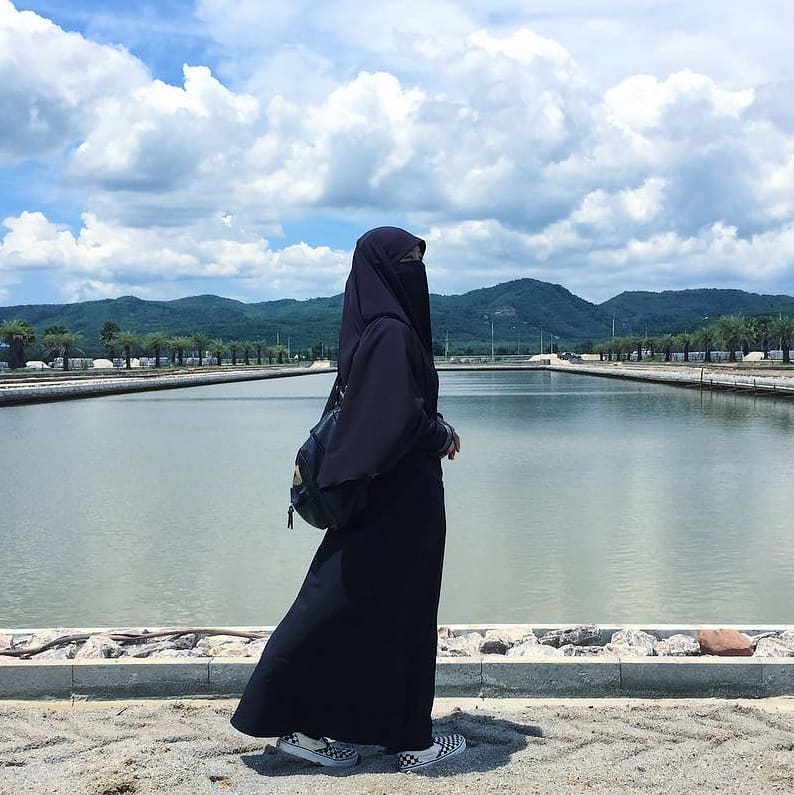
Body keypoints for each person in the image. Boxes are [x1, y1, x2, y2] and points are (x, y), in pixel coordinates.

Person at [230, 226, 464, 774]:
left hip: (374, 494)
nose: (417, 272)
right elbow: (396, 419)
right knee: (391, 612)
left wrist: (429, 427)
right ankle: (407, 741)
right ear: (384, 272)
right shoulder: (392, 333)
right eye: (408, 262)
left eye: (419, 262)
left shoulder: (373, 330)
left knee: (355, 606)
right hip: (398, 503)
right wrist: (440, 434)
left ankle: (335, 726)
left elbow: (381, 415)